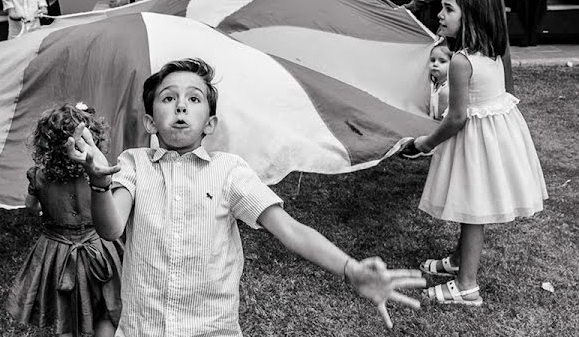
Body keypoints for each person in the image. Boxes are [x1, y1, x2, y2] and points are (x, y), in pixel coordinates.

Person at [65, 58, 425, 335]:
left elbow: (290, 230)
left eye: (194, 98)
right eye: (168, 98)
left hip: (211, 327)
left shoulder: (229, 170)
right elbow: (111, 228)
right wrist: (98, 183)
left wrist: (349, 268)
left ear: (210, 124)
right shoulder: (134, 162)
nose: (180, 106)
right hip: (144, 327)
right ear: (149, 122)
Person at [400, 0, 547, 306]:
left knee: (472, 211)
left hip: (475, 144)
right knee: (471, 207)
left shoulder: (460, 62)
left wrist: (424, 143)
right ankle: (457, 259)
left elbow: (456, 117)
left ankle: (467, 286)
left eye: (449, 8)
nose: (440, 14)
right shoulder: (492, 52)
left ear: (472, 17)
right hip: (494, 138)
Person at [7, 102, 123, 337]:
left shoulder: (38, 176)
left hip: (58, 254)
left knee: (65, 314)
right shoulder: (97, 171)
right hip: (100, 248)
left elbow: (31, 207)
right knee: (104, 311)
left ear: (46, 143)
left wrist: (44, 206)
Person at [428, 42, 451, 121]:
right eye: (432, 60)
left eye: (442, 61)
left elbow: (441, 120)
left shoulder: (446, 89)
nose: (435, 64)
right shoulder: (433, 85)